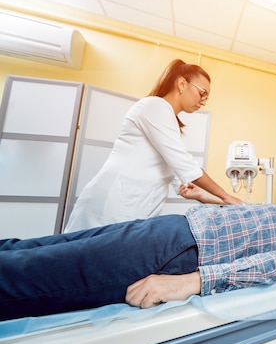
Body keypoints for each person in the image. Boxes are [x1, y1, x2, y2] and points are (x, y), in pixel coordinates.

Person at [0, 203, 276, 321]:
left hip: (185, 252)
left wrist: (191, 281)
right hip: (179, 227)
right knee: (38, 247)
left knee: (40, 271)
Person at [64, 59, 243, 233]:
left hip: (137, 206)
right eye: (202, 93)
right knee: (80, 258)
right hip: (113, 204)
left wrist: (211, 199)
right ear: (182, 84)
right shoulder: (154, 106)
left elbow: (184, 182)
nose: (203, 101)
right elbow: (185, 165)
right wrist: (225, 195)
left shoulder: (168, 121)